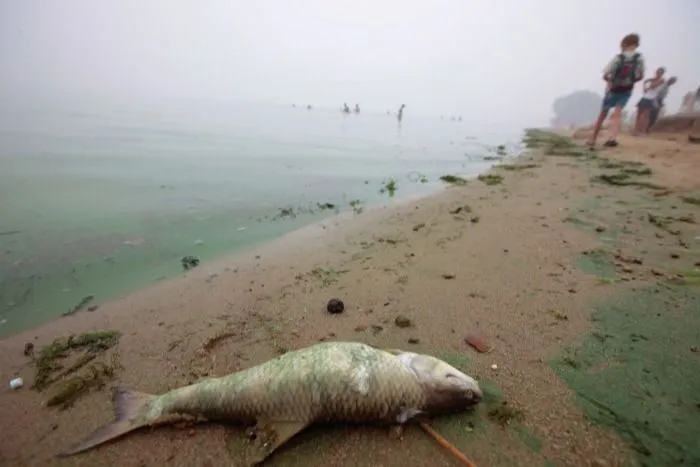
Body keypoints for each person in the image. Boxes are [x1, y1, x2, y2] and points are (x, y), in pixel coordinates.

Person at [586, 33, 645, 148]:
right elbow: (640, 76)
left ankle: (593, 139)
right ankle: (612, 138)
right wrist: (630, 81)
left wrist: (610, 81)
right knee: (618, 114)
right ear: (636, 44)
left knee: (603, 114)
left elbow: (605, 74)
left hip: (613, 89)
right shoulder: (639, 58)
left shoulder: (618, 58)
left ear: (624, 44)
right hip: (627, 89)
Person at [633, 67, 666, 135]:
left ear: (662, 74)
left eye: (660, 72)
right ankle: (636, 130)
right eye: (658, 72)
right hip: (645, 97)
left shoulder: (661, 80)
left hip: (651, 99)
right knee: (638, 115)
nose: (658, 73)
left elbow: (652, 86)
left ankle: (643, 131)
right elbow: (645, 89)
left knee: (646, 116)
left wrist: (650, 83)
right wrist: (646, 85)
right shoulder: (651, 80)